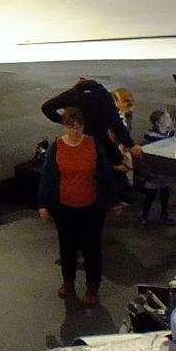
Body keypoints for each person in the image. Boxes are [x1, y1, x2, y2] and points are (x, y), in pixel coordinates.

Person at [38, 106, 126, 306]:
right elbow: (48, 176)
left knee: (91, 247)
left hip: (91, 207)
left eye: (78, 127)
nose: (75, 131)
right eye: (71, 127)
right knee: (67, 246)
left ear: (83, 127)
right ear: (64, 127)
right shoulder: (57, 147)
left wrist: (114, 200)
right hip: (65, 207)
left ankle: (92, 286)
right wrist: (43, 204)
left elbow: (104, 174)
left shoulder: (92, 144)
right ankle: (68, 281)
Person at [136, 109, 176, 227]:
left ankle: (164, 214)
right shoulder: (150, 136)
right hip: (154, 170)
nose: (170, 120)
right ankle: (145, 216)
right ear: (158, 122)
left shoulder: (170, 133)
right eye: (166, 118)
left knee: (165, 191)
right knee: (151, 193)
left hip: (166, 169)